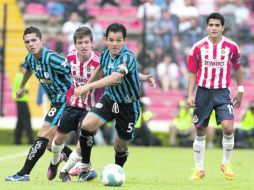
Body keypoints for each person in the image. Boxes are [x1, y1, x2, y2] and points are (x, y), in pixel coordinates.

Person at [74, 23, 156, 181]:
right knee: (86, 124)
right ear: (105, 40)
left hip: (128, 106)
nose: (115, 43)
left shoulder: (127, 57)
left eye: (118, 40)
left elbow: (115, 77)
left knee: (119, 145)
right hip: (110, 99)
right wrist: (87, 87)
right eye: (111, 40)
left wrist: (88, 86)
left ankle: (117, 171)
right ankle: (85, 165)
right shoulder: (105, 55)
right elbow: (101, 68)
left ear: (124, 40)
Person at [5, 26, 73, 181]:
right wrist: (22, 86)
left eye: (34, 40)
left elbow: (73, 71)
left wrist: (83, 91)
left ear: (42, 40)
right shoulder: (30, 58)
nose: (31, 44)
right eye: (27, 41)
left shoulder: (52, 58)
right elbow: (28, 69)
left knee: (42, 134)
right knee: (50, 144)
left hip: (65, 100)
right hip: (55, 101)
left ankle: (23, 173)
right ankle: (84, 167)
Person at [187, 13, 244, 180]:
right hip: (203, 92)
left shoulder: (232, 47)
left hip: (222, 92)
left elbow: (238, 68)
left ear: (222, 27)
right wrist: (190, 93)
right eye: (211, 25)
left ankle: (226, 163)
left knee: (228, 127)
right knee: (200, 130)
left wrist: (240, 89)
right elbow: (192, 71)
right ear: (206, 27)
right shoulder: (197, 47)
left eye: (217, 25)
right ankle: (199, 168)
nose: (214, 28)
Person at [47, 26, 104, 182]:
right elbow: (64, 77)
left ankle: (64, 172)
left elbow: (113, 76)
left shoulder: (100, 61)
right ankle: (54, 163)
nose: (83, 45)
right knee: (57, 140)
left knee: (81, 146)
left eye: (86, 42)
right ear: (75, 45)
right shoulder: (70, 58)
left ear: (92, 44)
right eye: (80, 42)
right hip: (73, 105)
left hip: (91, 110)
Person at [12, 64, 34, 145]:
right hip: (22, 101)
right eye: (24, 68)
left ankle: (17, 140)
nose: (25, 70)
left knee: (20, 121)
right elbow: (26, 90)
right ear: (21, 68)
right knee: (26, 120)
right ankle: (30, 139)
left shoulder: (18, 76)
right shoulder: (21, 77)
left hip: (20, 101)